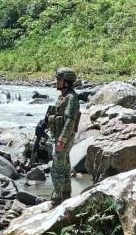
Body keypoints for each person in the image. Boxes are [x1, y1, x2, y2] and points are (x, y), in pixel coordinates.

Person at [47, 67, 80, 204]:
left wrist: (61, 141)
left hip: (63, 138)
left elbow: (70, 120)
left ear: (66, 81)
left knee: (57, 167)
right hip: (59, 136)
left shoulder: (71, 98)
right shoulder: (63, 97)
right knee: (65, 165)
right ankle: (66, 194)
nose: (57, 82)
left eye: (59, 79)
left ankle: (57, 197)